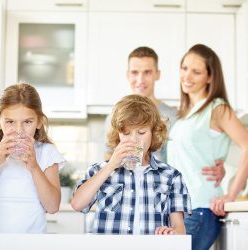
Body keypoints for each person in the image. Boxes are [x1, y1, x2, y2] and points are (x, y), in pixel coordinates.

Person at [103, 46, 225, 187]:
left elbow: (190, 155)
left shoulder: (175, 116)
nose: (140, 79)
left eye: (147, 72)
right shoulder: (114, 116)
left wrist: (217, 168)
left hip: (165, 195)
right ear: (128, 75)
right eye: (135, 72)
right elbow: (108, 159)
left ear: (157, 74)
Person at [71, 94, 191, 234]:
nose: (133, 140)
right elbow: (77, 204)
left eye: (141, 132)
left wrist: (172, 233)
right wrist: (110, 166)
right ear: (118, 135)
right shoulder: (99, 171)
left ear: (153, 133)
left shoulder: (171, 176)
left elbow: (179, 228)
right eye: (126, 133)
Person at [167, 44, 248, 250]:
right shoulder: (186, 115)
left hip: (201, 209)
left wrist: (231, 194)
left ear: (210, 77)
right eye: (184, 68)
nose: (187, 76)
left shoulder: (217, 108)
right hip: (181, 211)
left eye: (196, 71)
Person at [0, 83, 65, 233]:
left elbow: (53, 207)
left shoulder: (47, 152)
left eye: (27, 122)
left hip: (33, 243)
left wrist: (34, 166)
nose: (19, 130)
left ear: (39, 121)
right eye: (10, 122)